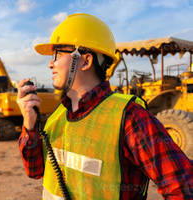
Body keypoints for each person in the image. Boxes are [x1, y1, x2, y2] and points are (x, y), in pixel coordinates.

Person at [16, 13, 192, 200]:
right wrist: (30, 124)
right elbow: (35, 171)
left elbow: (184, 189)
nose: (50, 64)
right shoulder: (58, 115)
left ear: (85, 61)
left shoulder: (130, 118)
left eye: (57, 54)